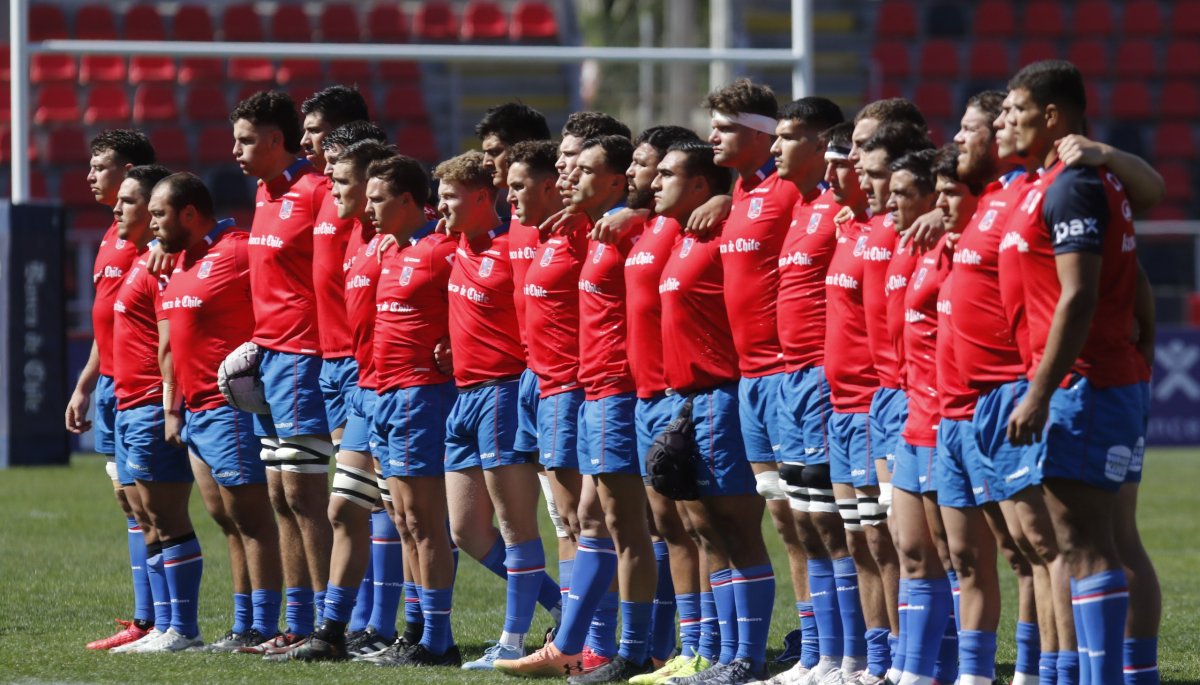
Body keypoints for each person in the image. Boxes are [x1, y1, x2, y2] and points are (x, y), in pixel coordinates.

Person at [1002, 60, 1145, 685]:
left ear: (1052, 115)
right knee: (1087, 540)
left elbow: (1079, 295)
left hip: (1082, 383)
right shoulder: (1073, 181)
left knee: (1084, 543)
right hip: (1090, 379)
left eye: (1017, 109)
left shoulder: (1073, 186)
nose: (1008, 119)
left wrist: (1038, 392)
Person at [149, 171, 285, 653]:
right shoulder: (179, 262)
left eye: (159, 215)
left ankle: (264, 625)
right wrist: (174, 407)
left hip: (233, 410)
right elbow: (173, 345)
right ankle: (243, 622)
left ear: (189, 213)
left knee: (253, 520)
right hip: (196, 411)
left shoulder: (238, 250)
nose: (152, 225)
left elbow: (289, 289)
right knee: (225, 520)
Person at [435, 148, 559, 671]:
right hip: (463, 396)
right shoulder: (454, 244)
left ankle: (511, 642)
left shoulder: (515, 246)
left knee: (515, 527)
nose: (441, 206)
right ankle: (562, 606)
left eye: (450, 197)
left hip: (503, 394)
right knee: (466, 531)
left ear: (482, 198)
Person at [653, 140, 772, 685]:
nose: (655, 181)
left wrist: (731, 201)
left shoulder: (723, 230)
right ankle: (725, 653)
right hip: (689, 400)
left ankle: (749, 655)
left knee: (736, 528)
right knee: (705, 531)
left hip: (723, 394)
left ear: (701, 185)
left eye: (667, 174)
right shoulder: (681, 234)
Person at [276, 140, 399, 662]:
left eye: (342, 178)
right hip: (355, 379)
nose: (331, 183)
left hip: (391, 387)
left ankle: (402, 628)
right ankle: (341, 629)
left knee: (412, 517)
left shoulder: (402, 241)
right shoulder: (356, 237)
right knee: (350, 505)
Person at [704, 85, 810, 660]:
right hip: (751, 379)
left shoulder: (792, 191)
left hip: (789, 375)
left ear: (762, 134)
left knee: (815, 521)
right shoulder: (741, 192)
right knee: (786, 521)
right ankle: (814, 642)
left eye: (724, 127)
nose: (712, 136)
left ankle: (833, 646)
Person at [230, 90, 334, 653]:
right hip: (268, 357)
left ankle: (331, 625)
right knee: (279, 496)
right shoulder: (263, 193)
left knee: (304, 495)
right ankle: (296, 624)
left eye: (246, 140)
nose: (236, 151)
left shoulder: (316, 191)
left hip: (302, 357)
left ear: (276, 140)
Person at [621, 124, 715, 685]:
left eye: (654, 168)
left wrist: (726, 199)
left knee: (704, 528)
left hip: (682, 395)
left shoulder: (694, 222)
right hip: (647, 395)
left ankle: (714, 648)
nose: (645, 177)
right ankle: (688, 647)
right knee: (669, 528)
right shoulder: (651, 224)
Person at [361, 152, 462, 667]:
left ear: (407, 201)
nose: (368, 209)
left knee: (424, 522)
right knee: (402, 520)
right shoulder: (391, 251)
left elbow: (489, 302)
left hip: (422, 395)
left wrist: (456, 345)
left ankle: (438, 641)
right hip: (386, 396)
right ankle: (417, 629)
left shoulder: (443, 250)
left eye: (377, 200)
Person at [764, 97, 851, 685]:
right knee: (804, 522)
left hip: (824, 378)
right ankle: (820, 654)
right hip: (789, 379)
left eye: (788, 137)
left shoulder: (841, 210)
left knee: (835, 525)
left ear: (821, 144)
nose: (776, 148)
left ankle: (856, 657)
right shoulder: (801, 206)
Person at [66, 130, 158, 651]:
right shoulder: (110, 234)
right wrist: (85, 385)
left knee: (151, 504)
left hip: (141, 387)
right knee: (128, 502)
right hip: (109, 385)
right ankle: (145, 619)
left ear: (129, 173)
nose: (90, 176)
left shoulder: (150, 240)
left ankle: (161, 620)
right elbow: (110, 323)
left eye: (100, 166)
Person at [110, 164, 207, 653]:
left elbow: (171, 344)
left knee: (166, 517)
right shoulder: (140, 261)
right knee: (146, 516)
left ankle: (182, 629)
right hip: (129, 403)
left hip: (151, 402)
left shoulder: (162, 266)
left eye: (135, 203)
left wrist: (170, 405)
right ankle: (163, 626)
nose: (121, 210)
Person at [818, 120, 883, 685]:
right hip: (840, 405)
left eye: (843, 161)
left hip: (872, 404)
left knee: (886, 543)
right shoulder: (847, 226)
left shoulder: (889, 229)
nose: (834, 173)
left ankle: (897, 663)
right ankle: (861, 661)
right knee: (856, 541)